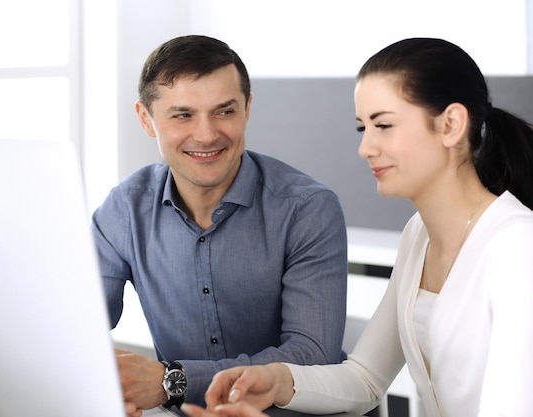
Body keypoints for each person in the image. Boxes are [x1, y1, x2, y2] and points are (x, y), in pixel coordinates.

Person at [181, 38, 533, 417]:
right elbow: (365, 379)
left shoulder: (516, 246)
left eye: (383, 125)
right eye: (362, 127)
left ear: (450, 125)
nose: (366, 147)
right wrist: (277, 380)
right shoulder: (419, 235)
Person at [91, 34, 348, 416]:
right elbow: (79, 326)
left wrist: (169, 382)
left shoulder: (307, 209)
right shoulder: (125, 208)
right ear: (146, 119)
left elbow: (311, 355)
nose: (207, 134)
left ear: (247, 108)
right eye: (183, 115)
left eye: (224, 111)